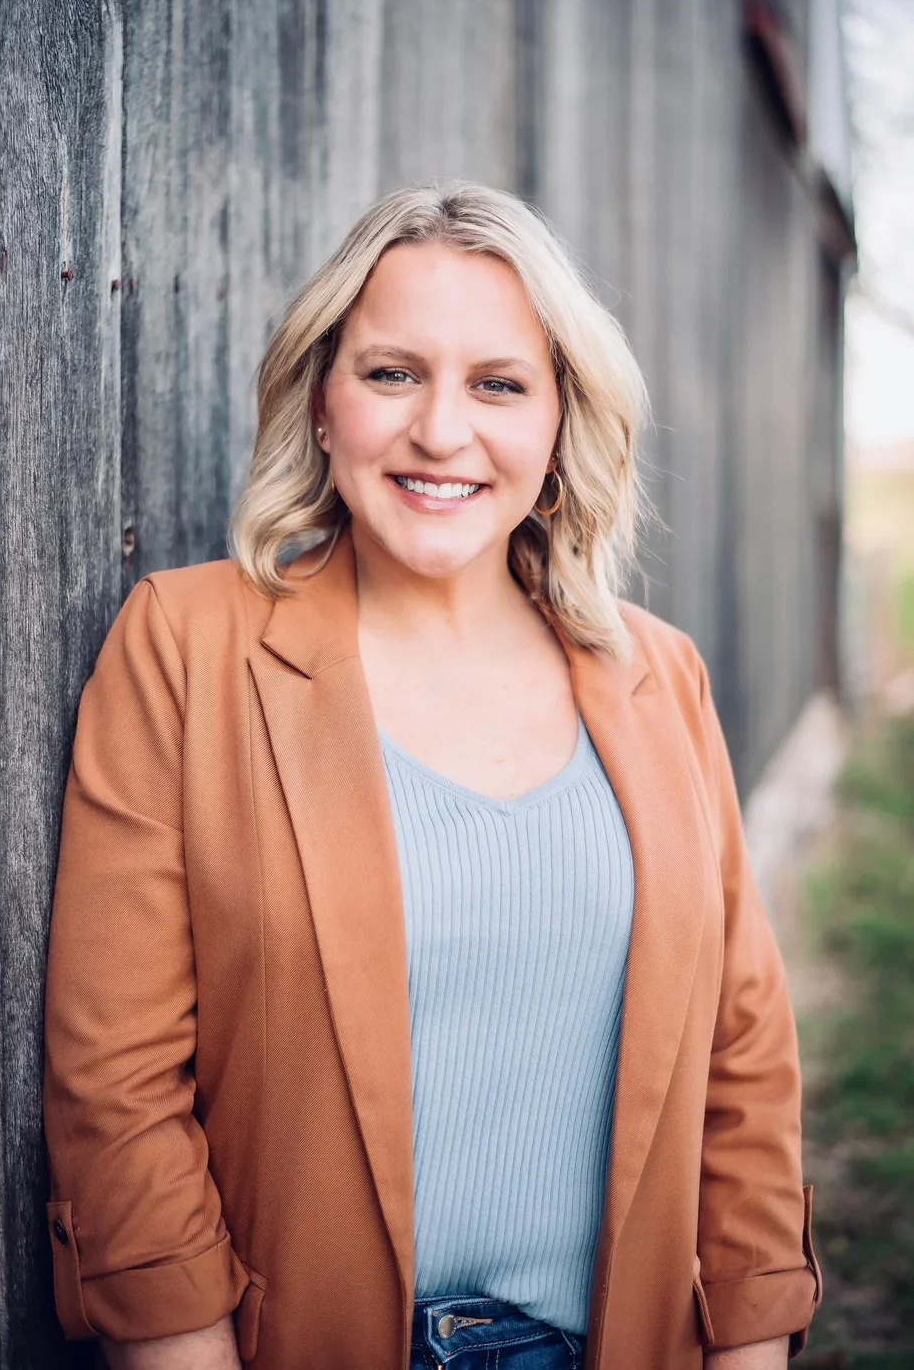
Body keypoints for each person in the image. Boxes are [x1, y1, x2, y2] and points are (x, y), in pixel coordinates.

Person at [43, 183, 821, 1370]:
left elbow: (742, 1065)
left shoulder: (659, 679)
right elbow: (118, 1083)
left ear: (559, 421)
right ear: (322, 402)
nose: (441, 431)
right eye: (392, 373)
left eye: (498, 384)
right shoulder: (185, 649)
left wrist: (751, 1345)